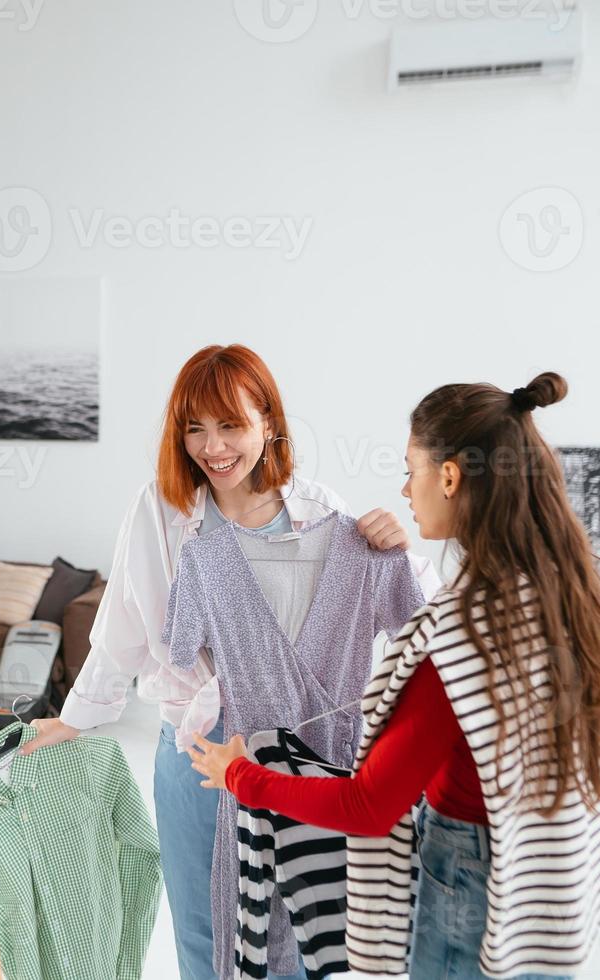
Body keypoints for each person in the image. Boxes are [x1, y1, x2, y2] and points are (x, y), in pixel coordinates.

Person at [188, 372, 600, 980]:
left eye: (411, 469)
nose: (405, 489)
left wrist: (242, 776)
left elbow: (369, 805)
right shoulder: (570, 598)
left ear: (451, 476)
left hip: (471, 877)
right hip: (551, 886)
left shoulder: (462, 634)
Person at [22, 344, 441, 980]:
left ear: (268, 423)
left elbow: (423, 615)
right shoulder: (161, 511)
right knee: (205, 932)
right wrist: (73, 721)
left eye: (230, 425)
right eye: (194, 428)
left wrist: (398, 546)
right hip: (199, 748)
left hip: (307, 748)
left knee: (306, 930)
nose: (212, 447)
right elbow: (122, 627)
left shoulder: (320, 506)